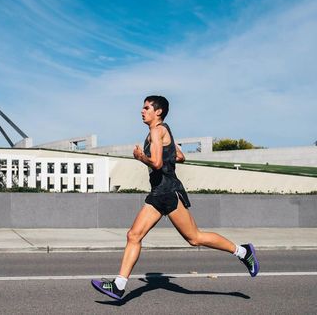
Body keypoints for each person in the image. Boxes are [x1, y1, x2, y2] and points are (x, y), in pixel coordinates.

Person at [91, 95, 259, 300]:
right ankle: (118, 285)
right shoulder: (163, 131)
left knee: (194, 238)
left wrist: (141, 157)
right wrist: (165, 153)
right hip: (158, 194)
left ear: (158, 111)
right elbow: (180, 156)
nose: (142, 111)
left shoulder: (156, 130)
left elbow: (158, 164)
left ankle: (243, 252)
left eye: (146, 108)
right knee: (133, 235)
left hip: (168, 192)